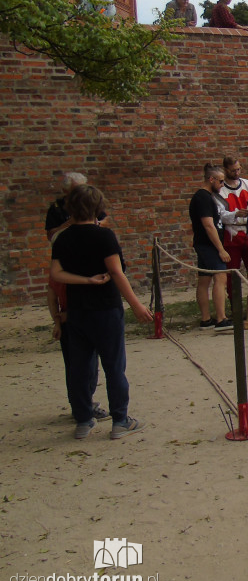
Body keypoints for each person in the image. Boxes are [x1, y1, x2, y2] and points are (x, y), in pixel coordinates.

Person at [50, 184, 153, 440]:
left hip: (77, 311)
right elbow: (116, 272)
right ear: (97, 208)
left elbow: (56, 274)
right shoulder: (103, 236)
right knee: (114, 366)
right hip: (105, 309)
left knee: (80, 368)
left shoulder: (63, 238)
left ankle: (83, 420)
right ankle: (120, 420)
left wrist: (84, 281)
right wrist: (136, 304)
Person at [188, 164, 233, 331]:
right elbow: (208, 225)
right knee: (220, 278)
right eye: (220, 181)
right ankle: (221, 318)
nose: (222, 185)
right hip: (208, 245)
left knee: (204, 280)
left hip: (204, 244)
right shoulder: (203, 198)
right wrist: (221, 249)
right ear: (211, 179)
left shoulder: (206, 197)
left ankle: (206, 319)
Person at [218, 156, 248, 310]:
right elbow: (220, 214)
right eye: (233, 170)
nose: (236, 173)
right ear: (226, 170)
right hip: (232, 234)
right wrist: (236, 214)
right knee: (232, 273)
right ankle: (236, 307)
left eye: (238, 169)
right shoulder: (220, 190)